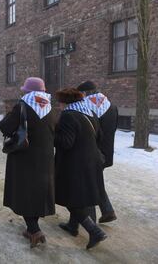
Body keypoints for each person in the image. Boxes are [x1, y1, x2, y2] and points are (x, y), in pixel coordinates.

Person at [0, 77, 56, 248]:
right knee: (37, 193)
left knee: (24, 192)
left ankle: (34, 230)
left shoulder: (22, 106)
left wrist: (9, 114)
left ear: (27, 92)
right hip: (45, 158)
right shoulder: (51, 107)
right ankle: (32, 229)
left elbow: (6, 127)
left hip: (24, 157)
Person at [55, 88, 107, 250]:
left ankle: (94, 231)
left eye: (60, 103)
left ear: (66, 102)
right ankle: (72, 226)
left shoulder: (68, 116)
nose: (59, 106)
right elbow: (100, 137)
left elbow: (66, 142)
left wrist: (52, 133)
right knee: (78, 195)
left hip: (74, 165)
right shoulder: (90, 113)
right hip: (92, 161)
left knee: (70, 197)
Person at [78, 81, 119, 223]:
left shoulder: (85, 108)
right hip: (106, 152)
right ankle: (108, 211)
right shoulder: (111, 106)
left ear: (84, 93)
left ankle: (90, 220)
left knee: (89, 184)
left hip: (91, 153)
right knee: (96, 180)